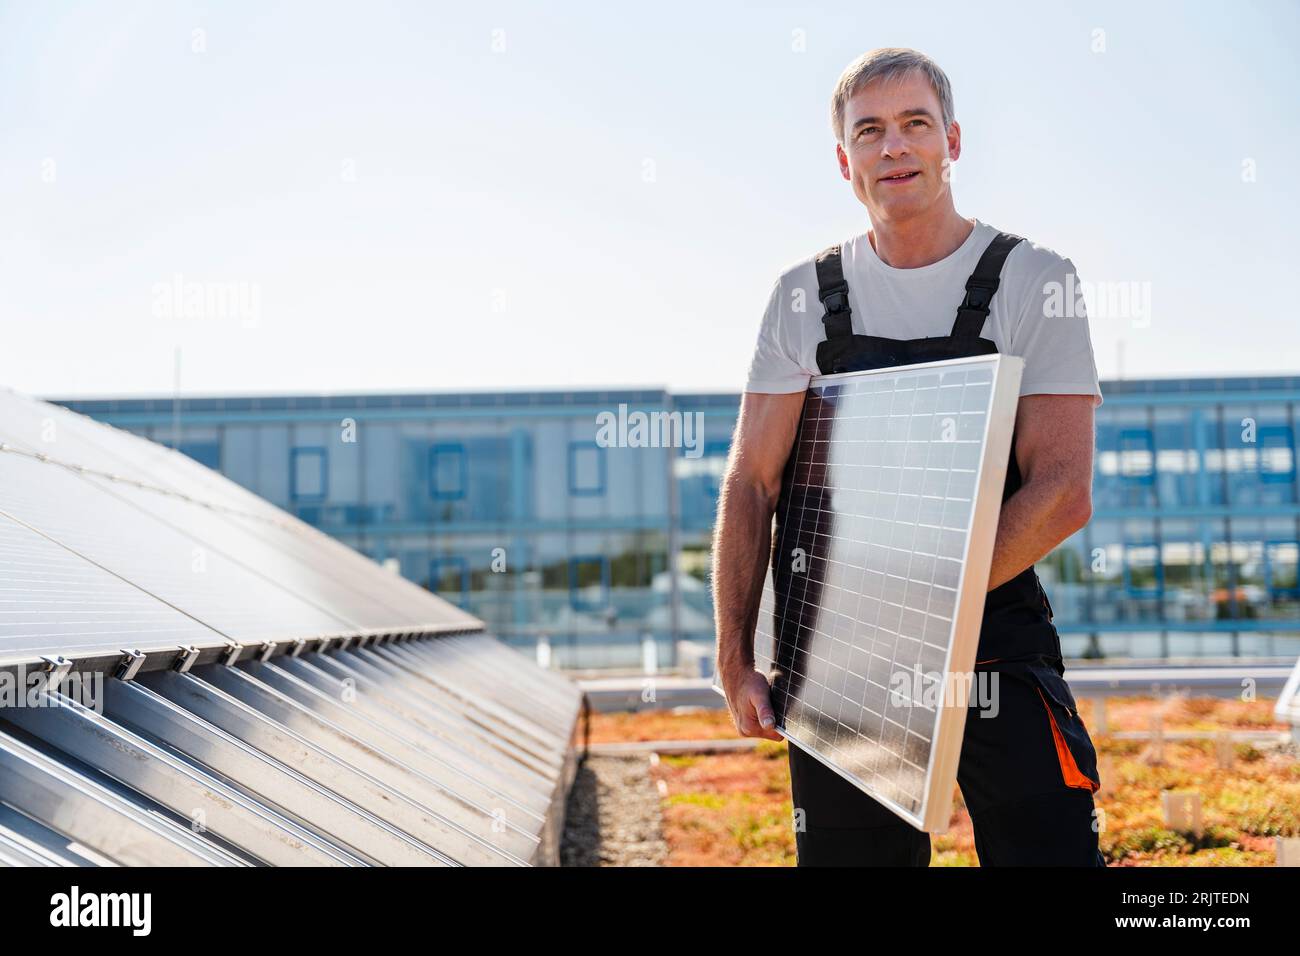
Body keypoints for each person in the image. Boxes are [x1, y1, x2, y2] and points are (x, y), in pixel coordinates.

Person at [713, 48, 1106, 866]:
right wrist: (735, 660)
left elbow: (1063, 491)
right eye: (871, 131)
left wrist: (931, 612)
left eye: (915, 125)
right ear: (844, 160)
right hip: (843, 666)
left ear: (952, 140)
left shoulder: (1032, 280)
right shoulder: (801, 296)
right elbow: (752, 482)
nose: (894, 147)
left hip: (994, 646)